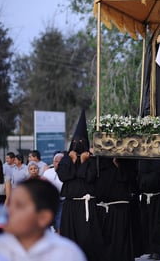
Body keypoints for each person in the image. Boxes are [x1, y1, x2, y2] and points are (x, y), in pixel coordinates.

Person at [0, 178, 87, 261]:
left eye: (19, 206)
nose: (8, 211)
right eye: (10, 204)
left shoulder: (67, 253)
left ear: (43, 218)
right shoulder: (1, 246)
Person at [56, 109, 103, 261]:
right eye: (75, 142)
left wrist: (82, 162)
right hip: (70, 206)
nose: (77, 144)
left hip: (86, 205)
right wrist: (73, 161)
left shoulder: (92, 160)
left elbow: (89, 178)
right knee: (70, 239)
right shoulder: (65, 160)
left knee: (87, 238)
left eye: (81, 142)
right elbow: (64, 176)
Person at [42, 152, 64, 232]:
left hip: (62, 201)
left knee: (59, 224)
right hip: (49, 202)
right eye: (56, 161)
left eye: (60, 162)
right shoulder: (47, 173)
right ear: (53, 162)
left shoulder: (67, 173)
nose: (58, 164)